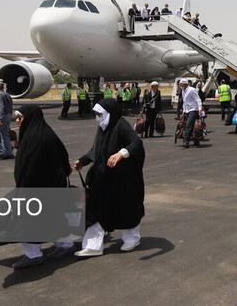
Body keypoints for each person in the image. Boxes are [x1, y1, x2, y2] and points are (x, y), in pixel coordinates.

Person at [73, 99, 145, 256]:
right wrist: (83, 161)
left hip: (123, 180)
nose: (97, 118)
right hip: (103, 178)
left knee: (127, 208)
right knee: (96, 208)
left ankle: (132, 238)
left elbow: (136, 143)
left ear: (109, 113)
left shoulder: (121, 125)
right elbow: (96, 150)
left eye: (100, 114)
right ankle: (93, 246)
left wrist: (122, 153)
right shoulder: (102, 128)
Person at [10, 105, 75, 268]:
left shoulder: (32, 139)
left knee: (28, 221)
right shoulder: (47, 133)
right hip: (53, 186)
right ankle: (65, 246)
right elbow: (63, 155)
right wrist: (65, 171)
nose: (17, 121)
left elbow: (28, 168)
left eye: (20, 118)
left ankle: (33, 254)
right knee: (56, 217)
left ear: (29, 118)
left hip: (34, 189)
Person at [180, 79, 203, 148]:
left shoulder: (191, 90)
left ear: (184, 84)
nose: (179, 85)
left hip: (193, 110)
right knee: (192, 126)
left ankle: (186, 141)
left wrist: (200, 109)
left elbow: (198, 99)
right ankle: (196, 141)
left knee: (188, 125)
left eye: (180, 84)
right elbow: (185, 102)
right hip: (187, 110)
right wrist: (184, 111)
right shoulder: (183, 91)